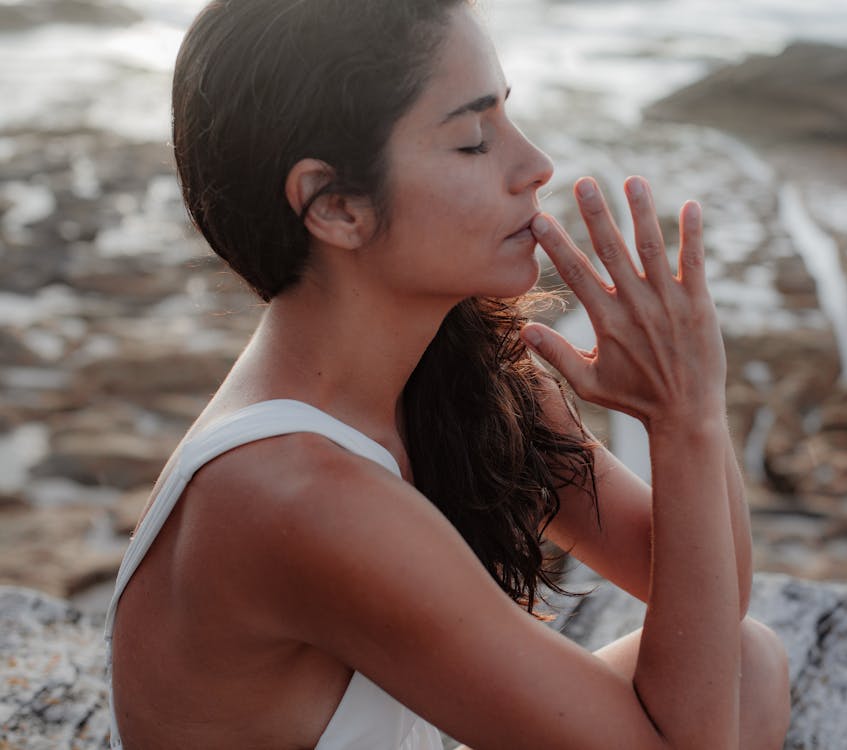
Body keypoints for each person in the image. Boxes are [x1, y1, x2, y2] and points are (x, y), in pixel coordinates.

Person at [103, 1, 791, 748]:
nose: (534, 165)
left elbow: (709, 599)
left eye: (508, 118)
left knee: (747, 665)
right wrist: (680, 415)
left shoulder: (455, 368)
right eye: (473, 140)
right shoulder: (298, 495)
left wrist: (690, 408)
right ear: (336, 209)